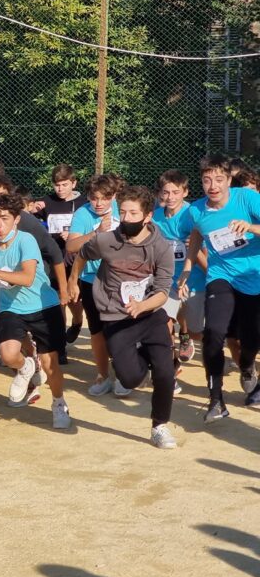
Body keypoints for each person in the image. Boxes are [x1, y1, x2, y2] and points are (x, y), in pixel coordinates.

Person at [69, 186, 176, 446]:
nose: (127, 218)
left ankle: (159, 426)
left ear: (148, 216)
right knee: (129, 379)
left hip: (150, 315)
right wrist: (73, 280)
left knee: (165, 373)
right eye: (124, 212)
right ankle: (137, 360)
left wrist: (143, 306)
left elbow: (163, 292)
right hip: (116, 317)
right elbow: (81, 253)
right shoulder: (107, 240)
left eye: (133, 213)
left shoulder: (161, 247)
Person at [0, 193, 72, 429]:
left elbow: (26, 278)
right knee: (7, 355)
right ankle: (26, 367)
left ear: (16, 219)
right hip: (10, 307)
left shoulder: (26, 240)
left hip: (43, 306)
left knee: (50, 364)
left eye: (4, 218)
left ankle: (59, 403)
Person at [180, 155, 260, 421]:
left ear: (228, 180)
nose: (212, 185)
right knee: (213, 332)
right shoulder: (196, 210)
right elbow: (196, 236)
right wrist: (188, 267)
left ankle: (247, 367)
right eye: (206, 180)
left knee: (251, 340)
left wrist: (250, 227)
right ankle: (216, 399)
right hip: (220, 275)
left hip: (253, 277)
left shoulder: (246, 199)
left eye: (218, 179)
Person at [66, 173, 123, 395]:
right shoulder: (83, 213)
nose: (98, 203)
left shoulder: (124, 209)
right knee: (97, 329)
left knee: (119, 327)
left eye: (104, 198)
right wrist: (96, 232)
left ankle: (124, 371)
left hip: (122, 278)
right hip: (91, 279)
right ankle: (103, 375)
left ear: (114, 196)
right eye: (93, 198)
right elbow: (71, 246)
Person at [154, 170, 205, 370]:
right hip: (167, 280)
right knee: (163, 321)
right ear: (160, 194)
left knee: (196, 331)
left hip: (195, 280)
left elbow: (207, 257)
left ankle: (188, 337)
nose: (170, 197)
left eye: (176, 192)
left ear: (185, 192)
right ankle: (171, 366)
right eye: (166, 192)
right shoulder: (155, 217)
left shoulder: (192, 215)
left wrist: (194, 246)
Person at [32, 163, 88, 343]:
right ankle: (60, 342)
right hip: (54, 258)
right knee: (58, 299)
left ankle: (78, 320)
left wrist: (74, 235)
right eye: (57, 185)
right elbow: (32, 218)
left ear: (74, 183)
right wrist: (34, 209)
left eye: (64, 184)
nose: (60, 189)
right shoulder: (46, 202)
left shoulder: (84, 203)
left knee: (74, 299)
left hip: (77, 258)